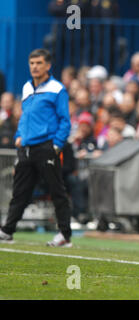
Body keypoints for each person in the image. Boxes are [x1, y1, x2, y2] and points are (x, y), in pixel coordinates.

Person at [0, 49, 72, 247]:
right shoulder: (26, 88)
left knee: (56, 190)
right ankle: (7, 231)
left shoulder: (57, 89)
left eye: (39, 63)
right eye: (32, 63)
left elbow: (65, 121)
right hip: (26, 147)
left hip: (46, 146)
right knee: (20, 191)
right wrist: (18, 136)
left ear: (48, 66)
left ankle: (64, 235)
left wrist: (56, 145)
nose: (35, 67)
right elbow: (25, 116)